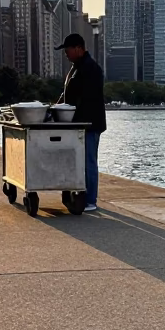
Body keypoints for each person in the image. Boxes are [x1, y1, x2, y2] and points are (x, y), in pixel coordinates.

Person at [56, 33, 106, 211]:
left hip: (89, 124)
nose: (65, 54)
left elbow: (88, 100)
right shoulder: (76, 67)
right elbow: (68, 94)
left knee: (89, 162)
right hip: (78, 124)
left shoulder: (91, 68)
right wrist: (56, 108)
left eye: (67, 50)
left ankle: (91, 200)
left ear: (78, 48)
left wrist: (72, 116)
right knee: (80, 162)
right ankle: (81, 195)